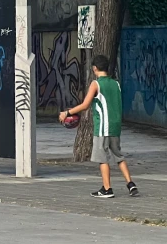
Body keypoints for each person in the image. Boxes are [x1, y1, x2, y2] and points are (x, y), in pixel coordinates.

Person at [59, 54, 139, 198]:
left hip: (103, 126)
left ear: (95, 68)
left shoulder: (96, 84)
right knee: (118, 155)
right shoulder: (116, 84)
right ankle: (130, 184)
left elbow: (85, 105)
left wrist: (67, 112)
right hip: (115, 126)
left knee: (102, 158)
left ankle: (107, 189)